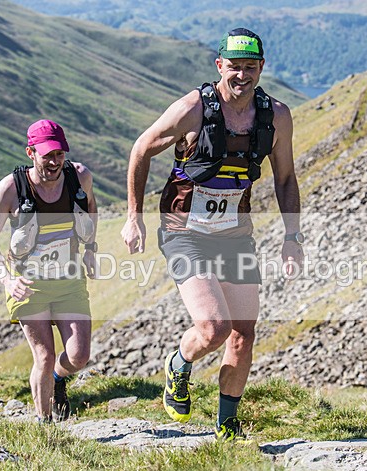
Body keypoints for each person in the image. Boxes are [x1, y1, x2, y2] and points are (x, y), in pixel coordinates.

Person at [120, 28, 304, 441]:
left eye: (250, 67)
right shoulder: (193, 109)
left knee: (243, 333)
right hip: (184, 230)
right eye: (234, 67)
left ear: (261, 68)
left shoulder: (276, 116)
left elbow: (286, 177)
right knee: (215, 327)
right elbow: (140, 150)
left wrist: (292, 236)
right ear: (220, 66)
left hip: (234, 233)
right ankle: (180, 363)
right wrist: (134, 216)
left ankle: (226, 426)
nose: (242, 75)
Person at [0, 119, 98, 423]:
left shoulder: (79, 177)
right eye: (47, 155)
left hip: (69, 280)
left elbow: (91, 209)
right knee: (43, 356)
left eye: (59, 154)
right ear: (30, 152)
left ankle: (59, 380)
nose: (54, 161)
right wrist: (6, 279)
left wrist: (91, 249)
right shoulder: (11, 188)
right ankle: (45, 424)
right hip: (28, 284)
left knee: (78, 356)